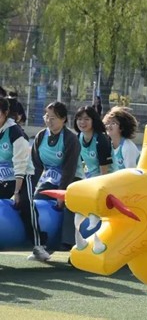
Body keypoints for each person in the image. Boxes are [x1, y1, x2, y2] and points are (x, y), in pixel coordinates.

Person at [0, 97, 49, 261]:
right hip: (2, 178)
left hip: (22, 176)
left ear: (5, 113)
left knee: (26, 203)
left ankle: (39, 245)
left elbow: (20, 164)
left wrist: (17, 192)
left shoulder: (15, 132)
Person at [33, 101, 81, 251]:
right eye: (47, 116)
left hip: (72, 179)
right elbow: (36, 167)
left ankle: (67, 242)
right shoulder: (41, 136)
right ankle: (38, 238)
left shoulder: (71, 139)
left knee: (69, 204)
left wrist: (61, 193)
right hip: (50, 179)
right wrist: (31, 190)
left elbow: (69, 170)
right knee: (36, 201)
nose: (49, 120)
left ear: (63, 119)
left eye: (53, 117)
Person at [74, 105, 112, 178]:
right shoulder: (78, 138)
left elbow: (104, 174)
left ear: (93, 120)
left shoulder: (101, 140)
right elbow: (82, 163)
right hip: (90, 179)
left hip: (105, 179)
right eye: (79, 119)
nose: (82, 122)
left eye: (86, 119)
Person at [102, 106, 140, 170]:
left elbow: (131, 173)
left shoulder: (127, 147)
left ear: (122, 128)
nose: (109, 126)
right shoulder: (108, 145)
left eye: (113, 123)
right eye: (107, 123)